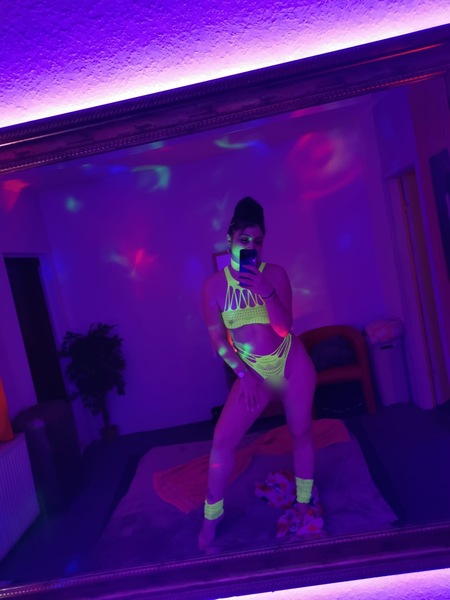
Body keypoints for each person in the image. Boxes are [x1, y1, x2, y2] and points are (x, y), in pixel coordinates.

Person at [199, 196, 317, 550]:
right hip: (253, 374)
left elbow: (283, 328)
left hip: (291, 364)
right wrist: (243, 374)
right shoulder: (213, 286)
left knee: (301, 431)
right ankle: (211, 518)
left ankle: (303, 502)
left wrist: (266, 292)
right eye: (244, 239)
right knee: (222, 440)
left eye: (258, 241)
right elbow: (218, 341)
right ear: (230, 239)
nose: (251, 246)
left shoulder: (275, 275)